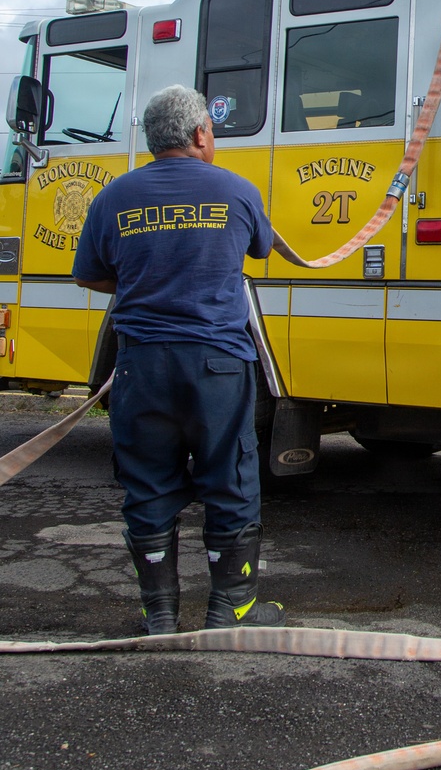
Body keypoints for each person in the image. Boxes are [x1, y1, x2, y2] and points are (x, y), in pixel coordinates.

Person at [72, 85, 304, 635]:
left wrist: (142, 282)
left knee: (148, 485)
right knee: (230, 480)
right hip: (217, 365)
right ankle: (232, 610)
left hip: (141, 366)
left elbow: (87, 273)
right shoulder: (238, 192)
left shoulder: (113, 197)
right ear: (201, 134)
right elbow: (261, 251)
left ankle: (160, 617)